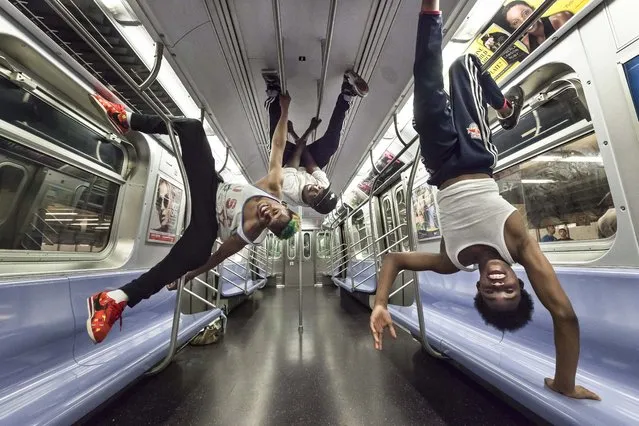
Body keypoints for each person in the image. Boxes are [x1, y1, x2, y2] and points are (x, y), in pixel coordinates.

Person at [369, 0, 600, 401]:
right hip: (477, 156)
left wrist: (379, 302)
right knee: (463, 67)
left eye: (492, 294)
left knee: (425, 90)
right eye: (509, 290)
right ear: (517, 281)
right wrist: (564, 383)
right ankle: (507, 109)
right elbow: (564, 315)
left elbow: (394, 260)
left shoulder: (450, 259)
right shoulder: (519, 244)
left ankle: (430, 7)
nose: (498, 285)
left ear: (478, 287)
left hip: (440, 164)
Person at [86, 92, 300, 344]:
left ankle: (115, 299)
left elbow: (219, 256)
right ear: (282, 204)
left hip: (208, 221)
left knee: (197, 254)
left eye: (269, 223)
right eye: (274, 212)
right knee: (192, 128)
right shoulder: (274, 186)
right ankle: (127, 119)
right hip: (211, 187)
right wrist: (284, 110)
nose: (267, 215)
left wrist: (189, 275)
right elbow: (278, 146)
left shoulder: (250, 233)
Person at [262, 69, 369, 214]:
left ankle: (273, 93)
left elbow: (295, 156)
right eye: (320, 189)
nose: (316, 187)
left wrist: (292, 128)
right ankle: (346, 94)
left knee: (277, 141)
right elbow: (310, 162)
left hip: (288, 163)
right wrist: (305, 131)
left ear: (310, 204)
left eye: (315, 194)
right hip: (305, 165)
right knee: (331, 144)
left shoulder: (288, 188)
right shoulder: (323, 185)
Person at [503, 1, 574, 53]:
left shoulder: (559, 18)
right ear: (514, 28)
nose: (524, 21)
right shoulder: (526, 42)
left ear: (533, 9)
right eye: (516, 22)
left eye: (526, 13)